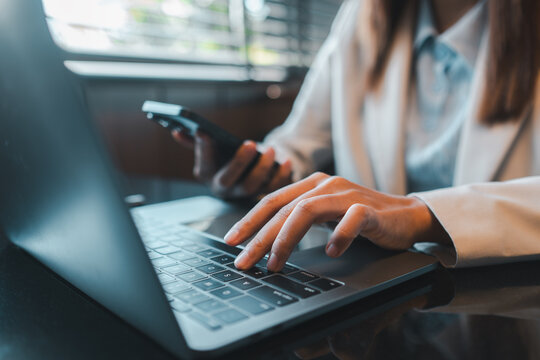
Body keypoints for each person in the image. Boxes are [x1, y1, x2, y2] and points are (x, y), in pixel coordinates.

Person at [172, 0, 540, 272]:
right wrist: (254, 173)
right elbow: (297, 144)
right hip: (381, 289)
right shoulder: (363, 15)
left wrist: (421, 216)